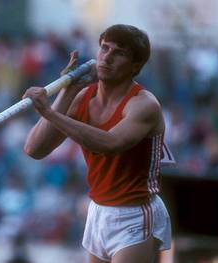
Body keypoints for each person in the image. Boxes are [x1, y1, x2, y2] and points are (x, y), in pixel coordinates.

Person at [22, 24, 171, 263]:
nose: (107, 57)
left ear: (136, 66)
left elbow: (110, 143)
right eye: (104, 48)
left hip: (135, 212)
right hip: (99, 209)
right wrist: (68, 92)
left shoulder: (144, 105)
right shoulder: (82, 97)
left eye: (119, 52)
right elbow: (34, 149)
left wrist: (49, 112)